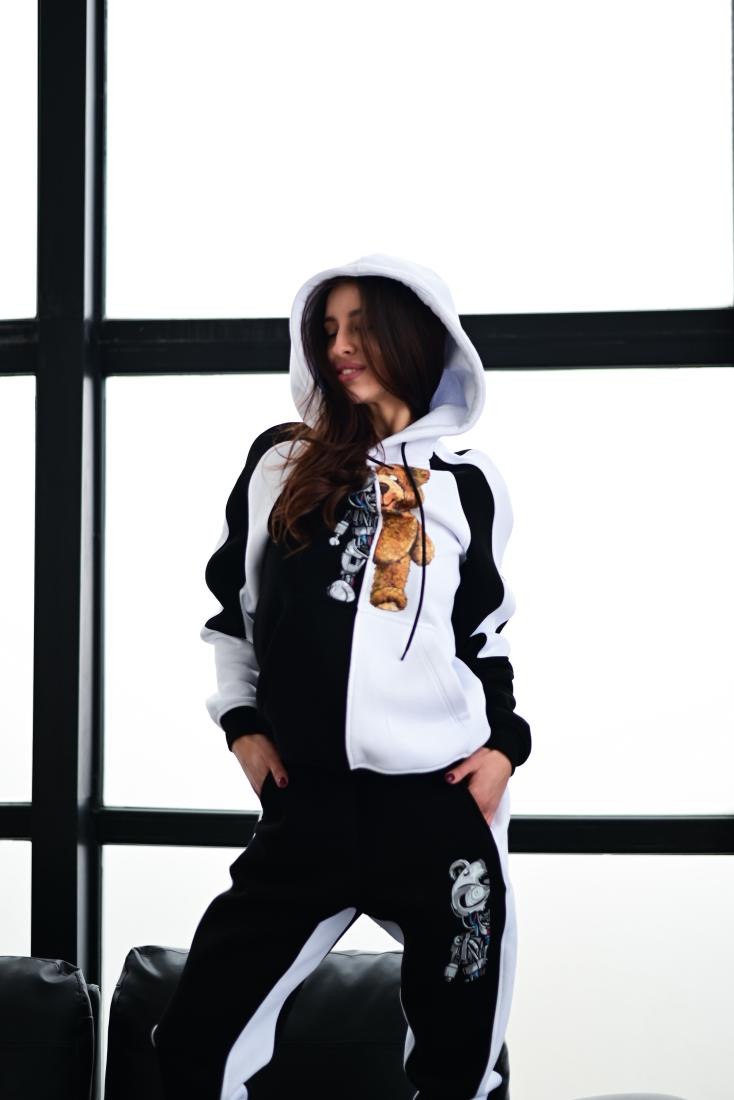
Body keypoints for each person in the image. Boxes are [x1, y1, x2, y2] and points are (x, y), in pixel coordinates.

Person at [152, 252, 532, 1099]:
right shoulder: (282, 464)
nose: (339, 348)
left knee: (459, 1072)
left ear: (414, 337)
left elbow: (485, 639)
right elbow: (236, 614)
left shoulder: (470, 486)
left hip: (439, 812)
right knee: (194, 1046)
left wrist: (505, 749)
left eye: (361, 327)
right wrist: (243, 728)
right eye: (326, 330)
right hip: (311, 807)